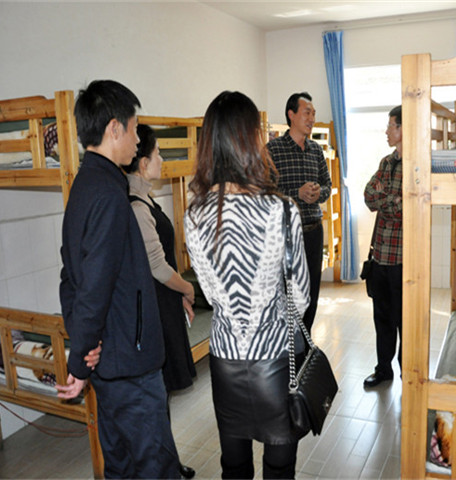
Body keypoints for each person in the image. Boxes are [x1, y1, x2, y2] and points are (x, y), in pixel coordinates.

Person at [56, 80, 180, 479]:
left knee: (121, 466)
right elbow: (93, 285)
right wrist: (81, 356)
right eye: (135, 128)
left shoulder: (84, 185)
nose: (138, 139)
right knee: (155, 467)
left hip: (110, 359)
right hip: (130, 363)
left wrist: (85, 344)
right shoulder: (109, 195)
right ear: (114, 128)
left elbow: (70, 276)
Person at [185, 91, 310, 479]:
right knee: (279, 467)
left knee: (234, 466)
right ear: (250, 139)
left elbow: (210, 293)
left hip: (224, 359)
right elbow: (301, 297)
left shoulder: (194, 214)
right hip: (275, 358)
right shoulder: (281, 209)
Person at [122, 124, 197, 479]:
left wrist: (177, 294)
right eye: (158, 154)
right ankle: (162, 466)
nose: (163, 160)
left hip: (164, 301)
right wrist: (186, 289)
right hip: (154, 305)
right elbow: (156, 264)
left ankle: (168, 461)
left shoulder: (146, 199)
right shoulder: (136, 206)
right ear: (142, 163)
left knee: (162, 393)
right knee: (156, 395)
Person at [267, 92, 331, 335]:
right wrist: (297, 193)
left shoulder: (316, 150)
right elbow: (265, 193)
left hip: (314, 231)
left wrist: (319, 193)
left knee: (312, 292)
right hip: (286, 235)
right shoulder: (272, 150)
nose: (312, 118)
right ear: (291, 115)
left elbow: (328, 185)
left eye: (313, 113)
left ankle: (305, 342)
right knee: (288, 293)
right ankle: (288, 344)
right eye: (307, 112)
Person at [362, 105, 403, 389]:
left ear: (403, 128)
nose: (386, 131)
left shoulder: (417, 166)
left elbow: (406, 208)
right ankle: (383, 370)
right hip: (380, 256)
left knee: (405, 321)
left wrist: (386, 200)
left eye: (391, 125)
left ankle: (408, 374)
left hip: (403, 259)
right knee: (382, 319)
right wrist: (393, 200)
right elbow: (368, 196)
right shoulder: (386, 163)